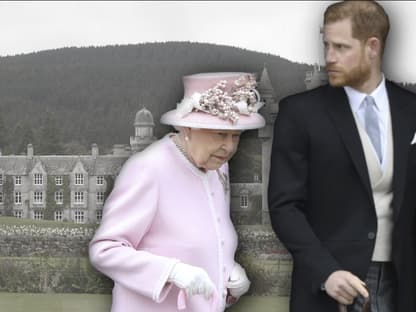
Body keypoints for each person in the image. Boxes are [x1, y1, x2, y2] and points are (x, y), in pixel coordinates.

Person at [267, 1, 416, 311]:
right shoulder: (300, 113)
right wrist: (326, 271)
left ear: (372, 47)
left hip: (404, 286)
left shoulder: (411, 110)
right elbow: (285, 206)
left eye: (341, 47)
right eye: (326, 46)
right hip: (331, 288)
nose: (329, 57)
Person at [89, 72, 265, 312]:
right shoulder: (148, 169)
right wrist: (171, 271)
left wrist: (227, 269)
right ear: (188, 128)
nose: (230, 147)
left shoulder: (217, 167)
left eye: (236, 136)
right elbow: (105, 250)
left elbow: (204, 238)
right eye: (220, 134)